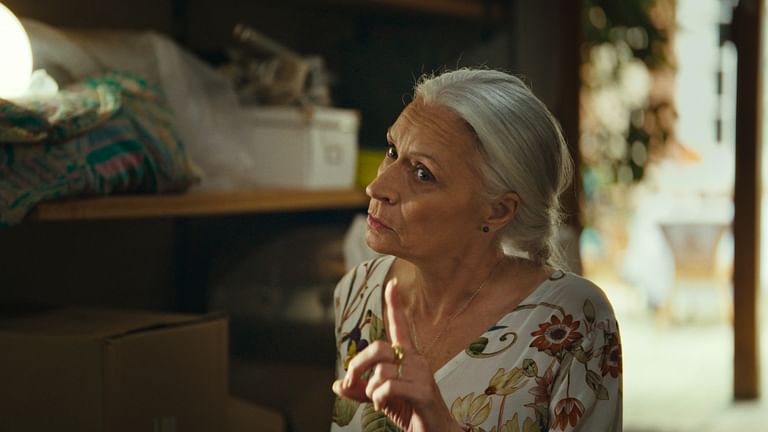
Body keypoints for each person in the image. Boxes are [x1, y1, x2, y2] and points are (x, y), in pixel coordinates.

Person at [331, 68, 622, 432]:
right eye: (393, 151)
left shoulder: (574, 319)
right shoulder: (357, 293)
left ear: (497, 211)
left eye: (422, 173)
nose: (377, 187)